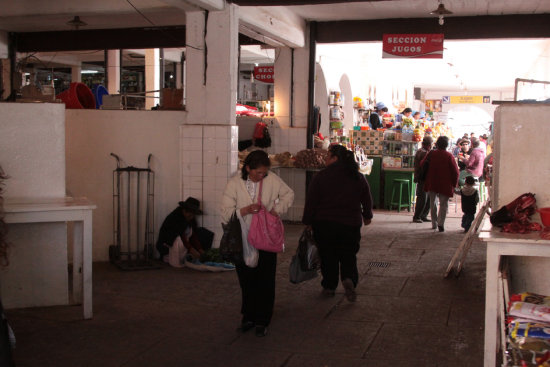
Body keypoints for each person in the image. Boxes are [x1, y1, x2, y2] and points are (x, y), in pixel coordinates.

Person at [220, 150, 294, 338]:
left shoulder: (272, 180)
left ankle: (263, 319)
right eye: (258, 173)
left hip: (265, 237)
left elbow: (288, 194)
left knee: (266, 279)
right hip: (243, 239)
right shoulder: (234, 184)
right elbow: (225, 212)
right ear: (247, 169)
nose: (262, 176)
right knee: (246, 279)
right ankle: (248, 316)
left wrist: (277, 211)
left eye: (264, 173)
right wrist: (244, 210)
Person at [302, 144, 373, 302]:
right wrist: (367, 215)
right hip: (350, 224)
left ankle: (329, 286)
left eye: (328, 156)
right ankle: (349, 279)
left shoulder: (321, 176)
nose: (325, 159)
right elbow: (366, 197)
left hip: (325, 224)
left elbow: (311, 201)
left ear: (335, 158)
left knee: (328, 256)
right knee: (348, 255)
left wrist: (307, 221)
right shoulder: (356, 176)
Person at [422, 136, 459, 232]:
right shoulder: (449, 156)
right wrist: (454, 184)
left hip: (432, 182)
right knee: (443, 204)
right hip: (445, 183)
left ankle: (434, 223)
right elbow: (455, 171)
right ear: (446, 145)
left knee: (432, 203)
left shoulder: (431, 154)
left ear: (437, 144)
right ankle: (441, 223)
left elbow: (422, 164)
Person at [156, 197, 205, 267]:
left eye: (193, 215)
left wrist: (200, 250)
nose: (191, 217)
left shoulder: (191, 219)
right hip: (167, 246)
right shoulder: (175, 218)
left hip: (183, 247)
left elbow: (193, 236)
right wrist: (192, 250)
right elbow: (182, 238)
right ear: (184, 210)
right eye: (190, 214)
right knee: (178, 240)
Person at [412, 136, 433, 223]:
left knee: (427, 198)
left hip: (424, 178)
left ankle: (423, 215)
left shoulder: (423, 151)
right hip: (422, 177)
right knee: (423, 198)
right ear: (429, 144)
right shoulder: (423, 153)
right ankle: (417, 216)